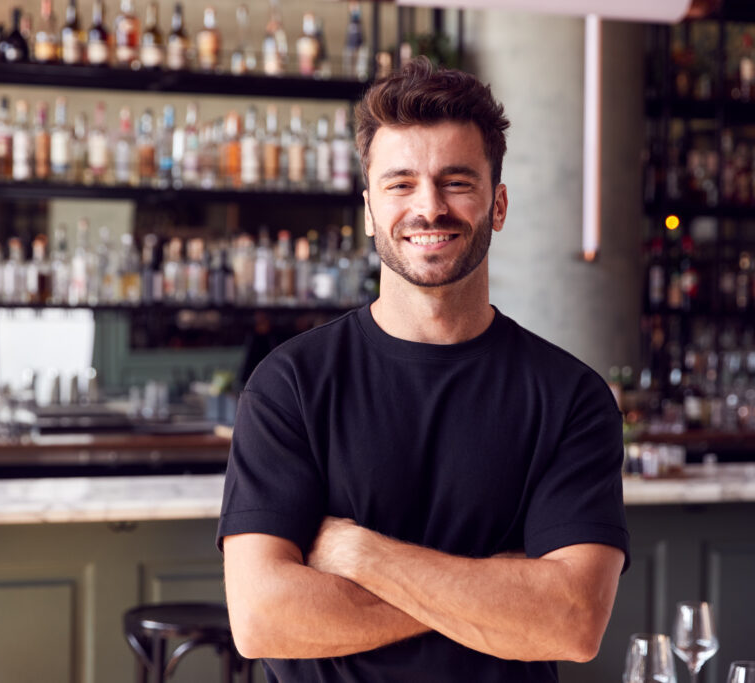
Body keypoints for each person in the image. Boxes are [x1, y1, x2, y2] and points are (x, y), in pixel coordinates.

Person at [218, 57, 629, 683]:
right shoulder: (290, 385)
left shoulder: (571, 398)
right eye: (400, 183)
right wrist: (497, 591)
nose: (429, 207)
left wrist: (362, 553)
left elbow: (570, 623)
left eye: (457, 181)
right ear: (368, 209)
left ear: (497, 204)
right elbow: (262, 619)